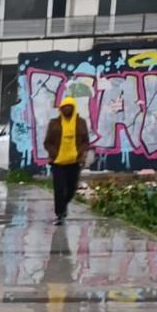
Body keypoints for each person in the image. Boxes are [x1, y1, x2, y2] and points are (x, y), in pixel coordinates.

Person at [43, 94, 90, 224]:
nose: (66, 109)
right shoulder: (54, 123)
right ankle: (60, 214)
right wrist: (55, 153)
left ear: (73, 108)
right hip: (58, 163)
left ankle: (63, 206)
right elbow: (47, 142)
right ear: (61, 109)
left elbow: (86, 141)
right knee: (59, 189)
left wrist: (80, 152)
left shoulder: (81, 123)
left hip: (74, 162)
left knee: (71, 189)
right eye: (64, 107)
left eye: (69, 107)